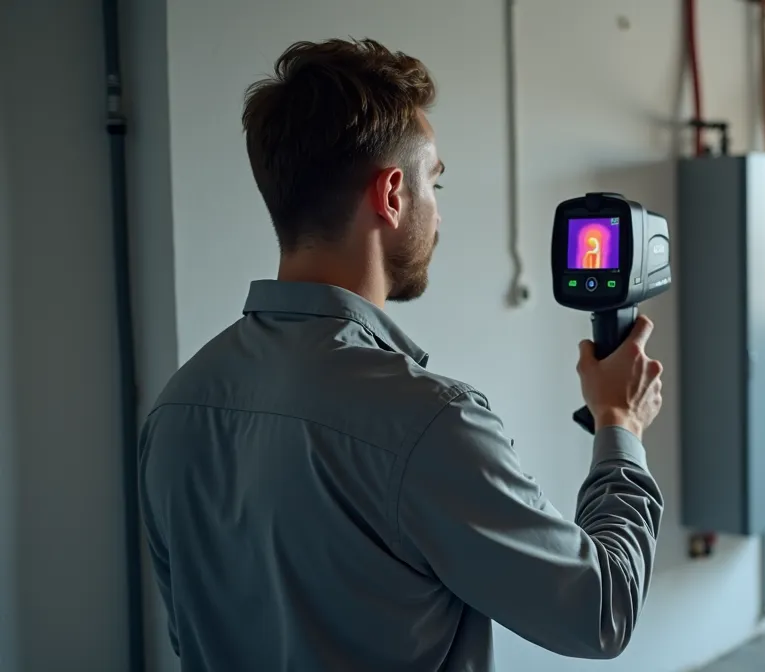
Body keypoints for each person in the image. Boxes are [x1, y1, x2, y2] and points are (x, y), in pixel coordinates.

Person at [137, 38, 665, 671]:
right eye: (434, 183)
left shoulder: (178, 406)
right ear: (392, 194)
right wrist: (621, 426)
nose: (438, 216)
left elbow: (189, 633)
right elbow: (599, 612)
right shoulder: (429, 422)